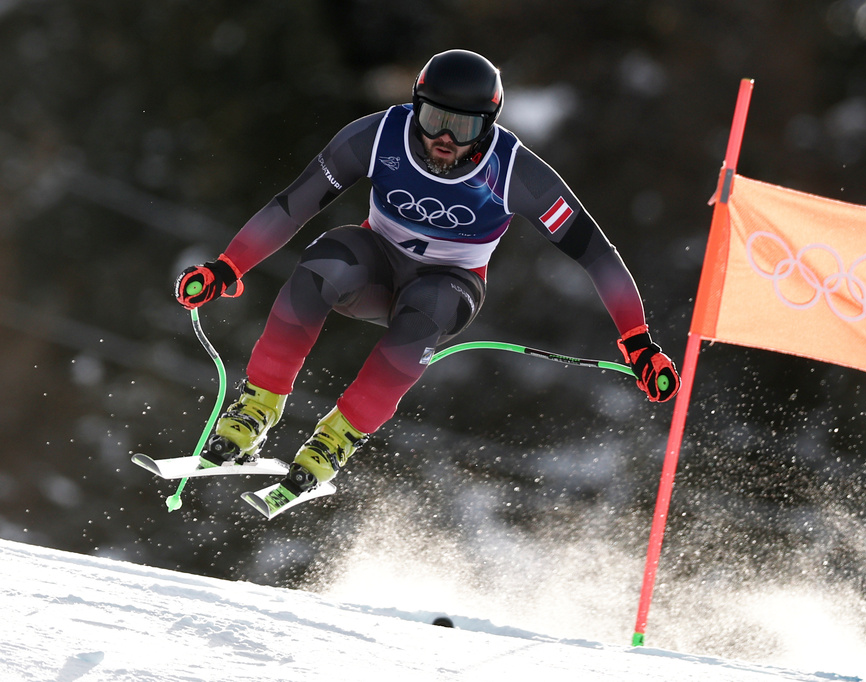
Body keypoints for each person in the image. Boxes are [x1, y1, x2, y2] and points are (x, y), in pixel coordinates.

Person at [174, 49, 679, 497]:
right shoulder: (377, 136)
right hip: (375, 266)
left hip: (449, 283)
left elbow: (596, 254)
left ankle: (337, 438)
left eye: (463, 127)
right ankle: (258, 405)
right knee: (325, 258)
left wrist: (637, 340)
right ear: (416, 104)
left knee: (428, 308)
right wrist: (227, 266)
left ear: (489, 125)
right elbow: (293, 204)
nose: (442, 138)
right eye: (434, 117)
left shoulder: (514, 172)